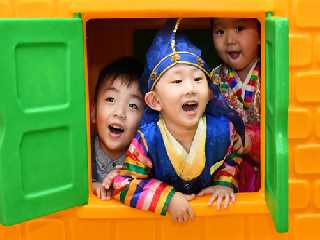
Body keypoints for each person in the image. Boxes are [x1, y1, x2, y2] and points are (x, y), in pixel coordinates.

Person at [111, 19, 245, 223]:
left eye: (198, 79)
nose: (190, 88)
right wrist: (168, 199)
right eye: (177, 81)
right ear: (155, 101)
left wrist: (224, 184)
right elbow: (124, 183)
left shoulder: (223, 131)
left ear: (209, 93)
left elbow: (233, 157)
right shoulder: (147, 139)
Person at [211, 18, 261, 192]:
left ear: (262, 35)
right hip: (227, 174)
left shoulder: (274, 74)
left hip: (268, 172)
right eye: (220, 32)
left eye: (239, 28)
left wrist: (252, 139)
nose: (230, 40)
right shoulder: (212, 80)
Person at [91, 57, 145, 200]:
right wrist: (90, 187)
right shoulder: (80, 155)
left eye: (133, 105)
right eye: (110, 99)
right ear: (93, 113)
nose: (119, 113)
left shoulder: (146, 160)